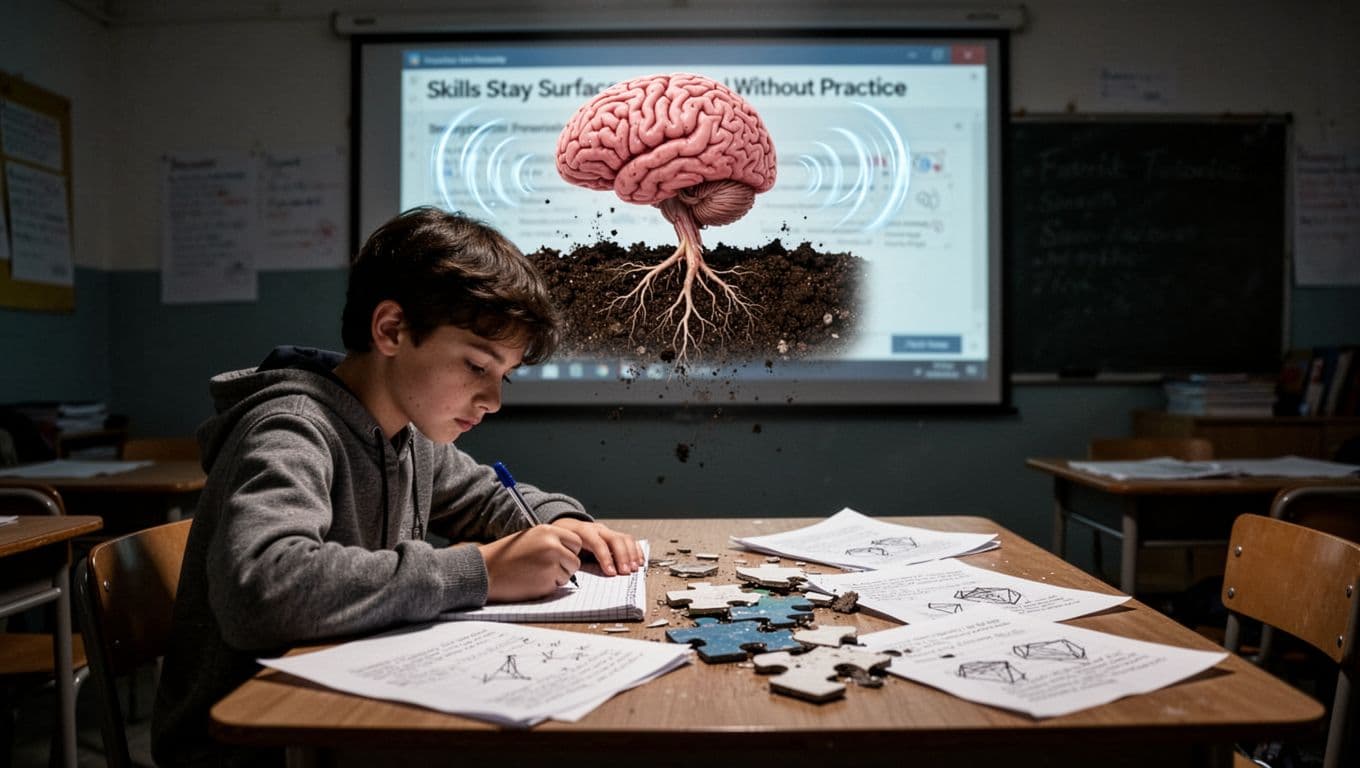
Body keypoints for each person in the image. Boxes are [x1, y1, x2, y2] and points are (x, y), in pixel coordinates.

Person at [152, 207, 643, 767]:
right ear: (391, 330)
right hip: (255, 746)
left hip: (346, 720)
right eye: (476, 366)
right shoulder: (290, 428)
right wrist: (479, 572)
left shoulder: (406, 436)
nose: (494, 401)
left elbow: (485, 497)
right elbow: (261, 591)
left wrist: (562, 521)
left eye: (502, 376)